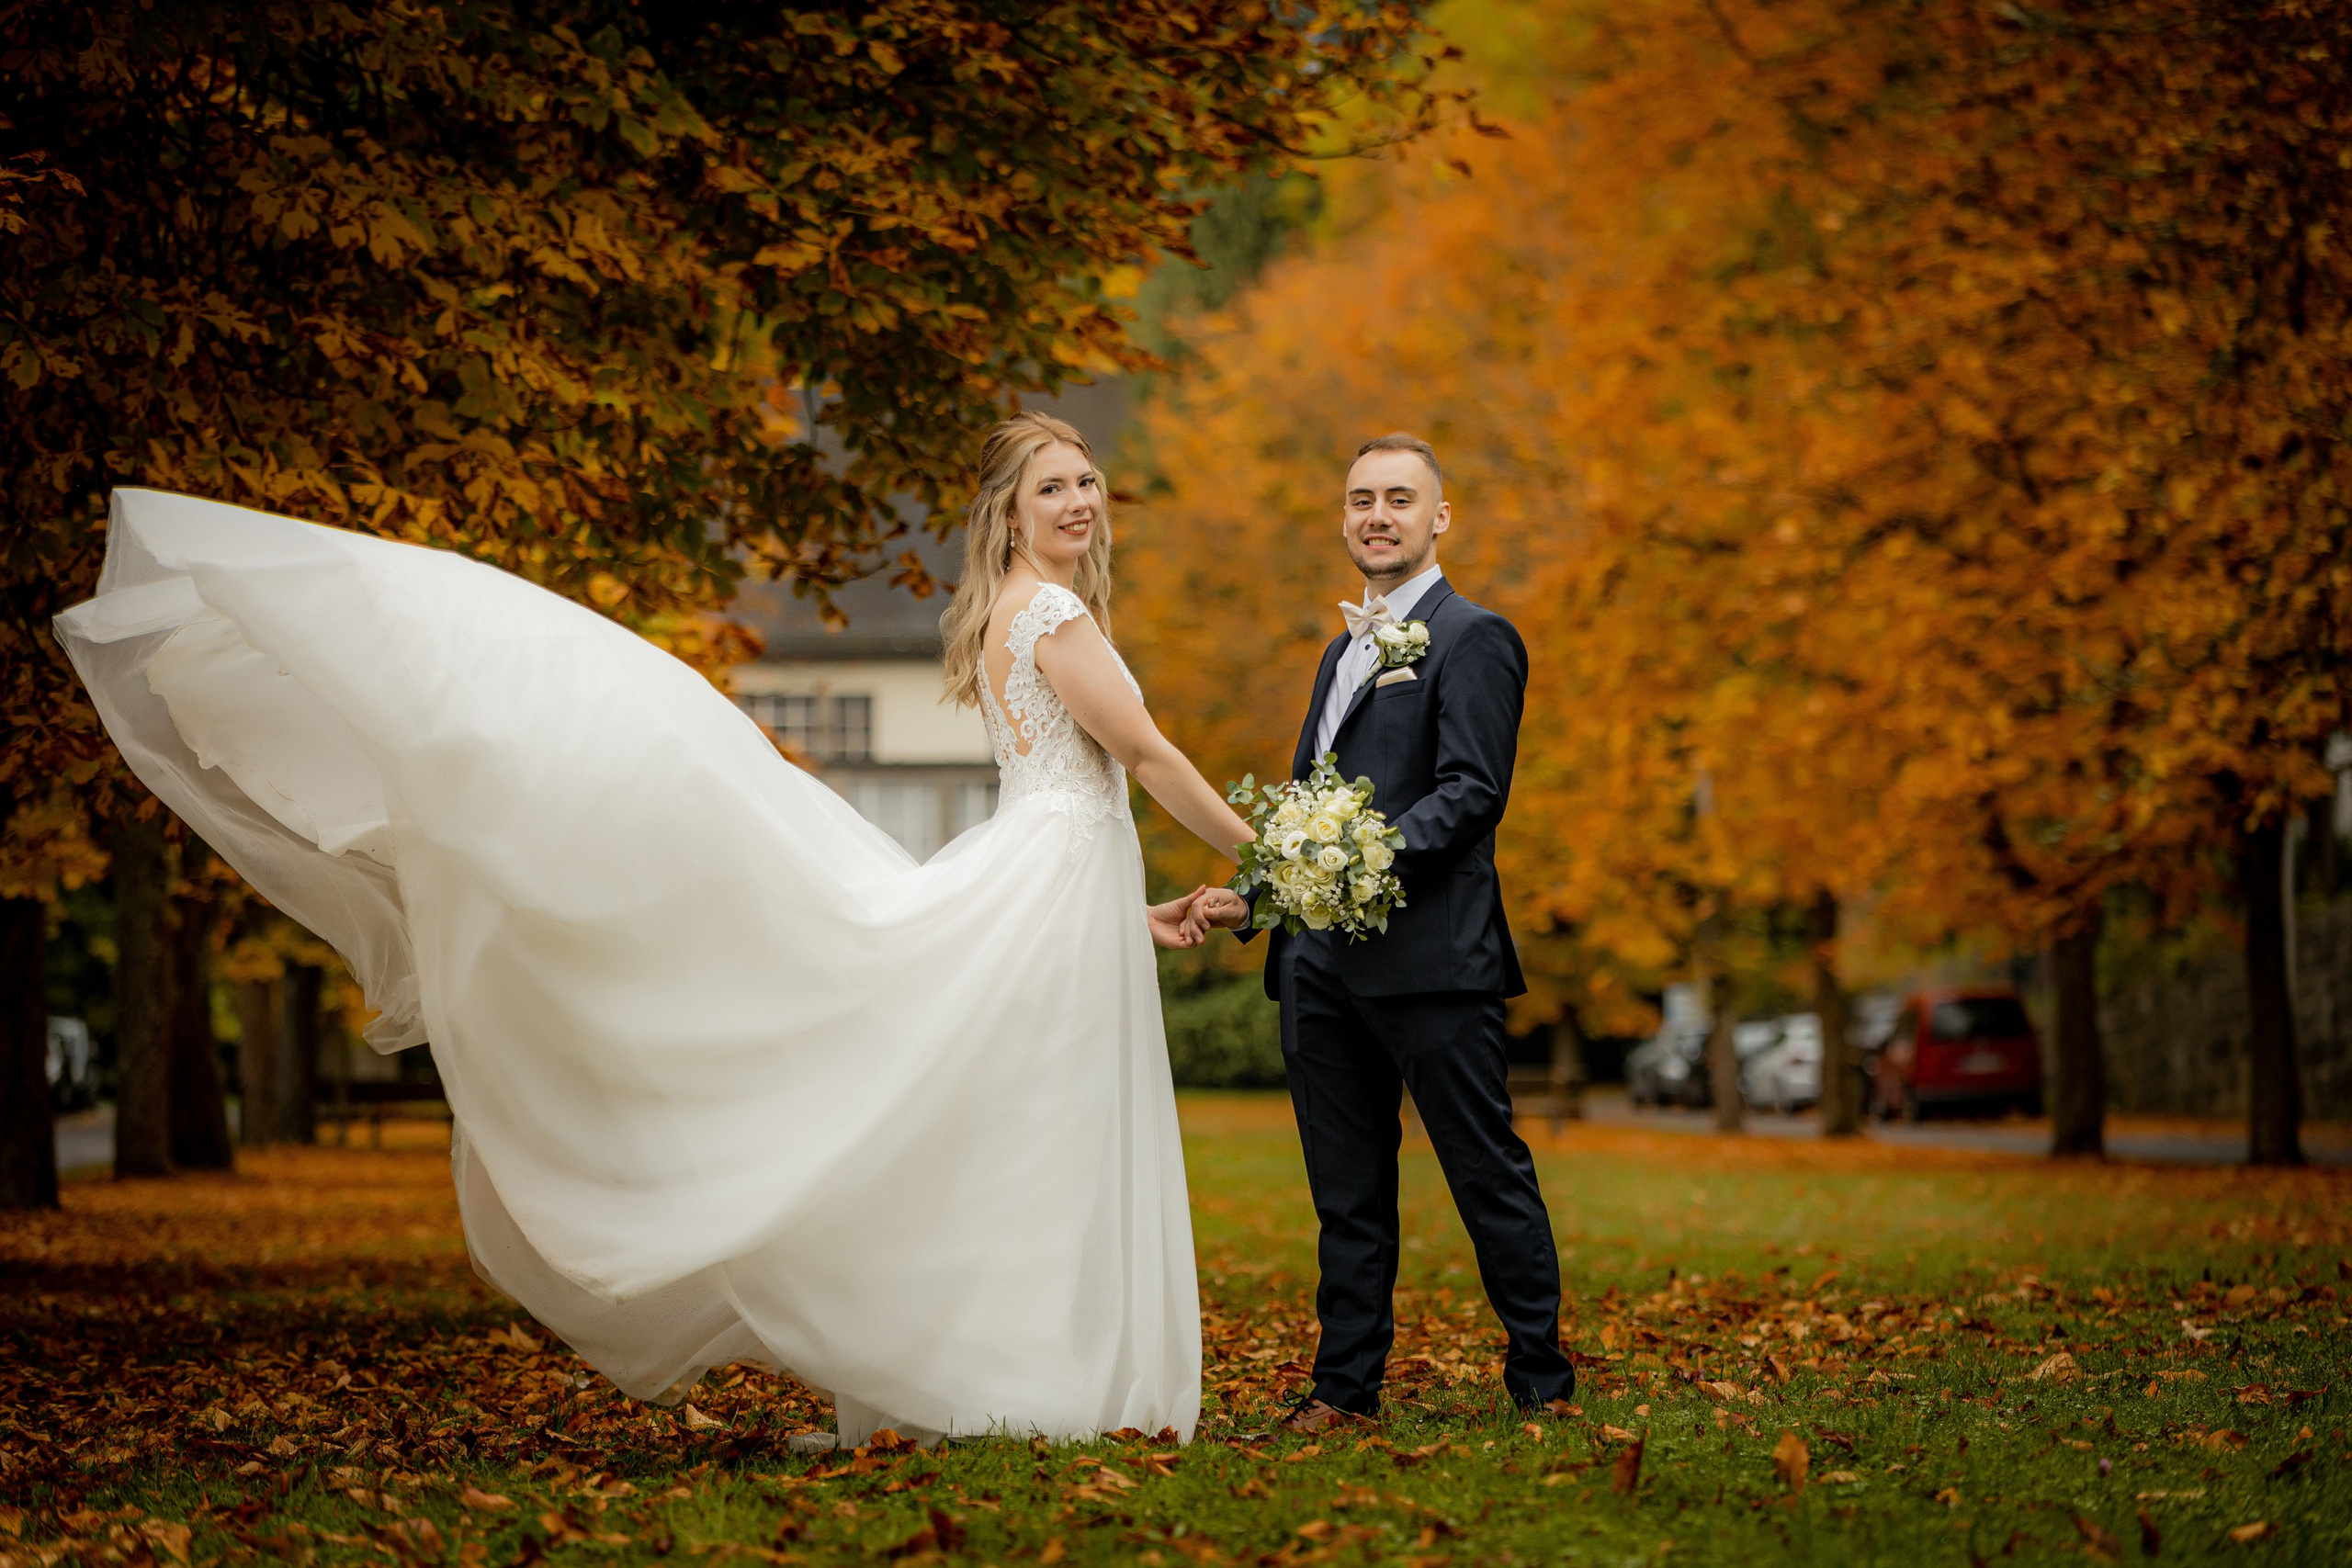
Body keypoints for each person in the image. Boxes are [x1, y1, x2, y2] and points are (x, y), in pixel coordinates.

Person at [54, 411, 1254, 1447]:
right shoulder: (1052, 613)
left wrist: (1126, 915)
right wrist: (1266, 850)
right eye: (1052, 487)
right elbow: (1144, 758)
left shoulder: (1008, 611)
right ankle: (1031, 1377)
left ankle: (997, 1372)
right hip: (1047, 870)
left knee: (1020, 1129)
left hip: (1048, 881)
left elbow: (1059, 805)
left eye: (1088, 481)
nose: (1079, 500)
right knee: (1032, 1128)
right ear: (1008, 512)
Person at [1194, 433, 1577, 1432]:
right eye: (1362, 498)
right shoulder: (1340, 650)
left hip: (1431, 960)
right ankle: (1344, 1391)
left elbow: (1470, 793)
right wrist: (1256, 893)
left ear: (1438, 517)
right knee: (1346, 1193)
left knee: (1484, 1171)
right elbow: (1307, 801)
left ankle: (1541, 1381)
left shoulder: (1475, 636)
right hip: (1316, 964)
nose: (1378, 515)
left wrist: (1349, 865)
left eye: (1399, 499)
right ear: (1344, 516)